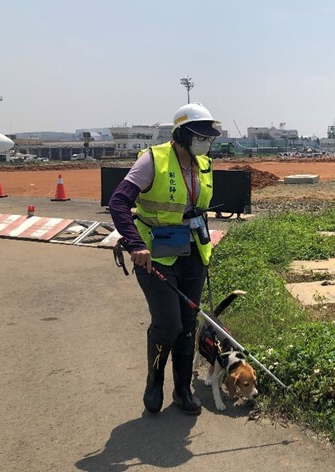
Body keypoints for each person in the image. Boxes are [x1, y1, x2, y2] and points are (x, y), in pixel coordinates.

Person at [109, 102, 221, 415]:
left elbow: (198, 210)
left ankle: (182, 389)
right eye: (200, 135)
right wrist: (134, 244)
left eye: (208, 136)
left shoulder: (203, 164)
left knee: (187, 325)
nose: (206, 141)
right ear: (182, 134)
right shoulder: (152, 160)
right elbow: (118, 202)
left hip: (192, 255)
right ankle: (154, 380)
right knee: (168, 324)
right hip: (155, 255)